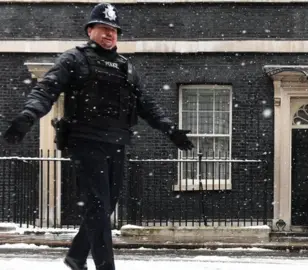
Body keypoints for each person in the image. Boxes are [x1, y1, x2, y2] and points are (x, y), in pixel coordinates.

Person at [2, 3, 194, 270]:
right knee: (98, 207)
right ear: (90, 30)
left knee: (104, 208)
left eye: (114, 30)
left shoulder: (126, 68)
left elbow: (147, 105)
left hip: (117, 143)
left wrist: (170, 130)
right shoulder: (74, 59)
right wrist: (27, 117)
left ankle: (76, 257)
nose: (110, 35)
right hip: (85, 141)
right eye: (104, 29)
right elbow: (46, 90)